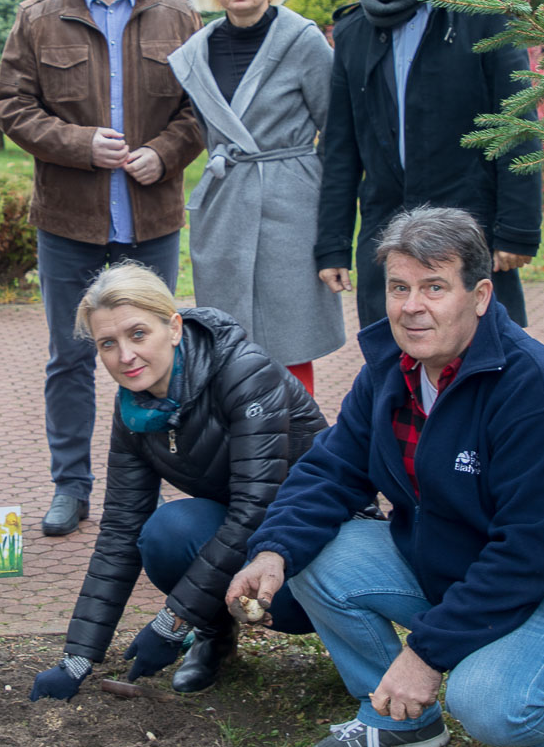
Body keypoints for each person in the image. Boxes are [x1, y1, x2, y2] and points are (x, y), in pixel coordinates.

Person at [227, 207, 544, 747]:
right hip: (450, 565)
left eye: (434, 287)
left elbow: (530, 554)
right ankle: (403, 719)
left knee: (488, 703)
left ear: (480, 295)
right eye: (399, 288)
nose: (410, 306)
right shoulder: (390, 372)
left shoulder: (538, 394)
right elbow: (331, 468)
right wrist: (271, 551)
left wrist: (425, 655)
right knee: (312, 553)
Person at [0, 0, 204, 537]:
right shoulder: (38, 18)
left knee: (158, 354)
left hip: (151, 222)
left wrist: (164, 153)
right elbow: (9, 105)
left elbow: (202, 111)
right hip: (69, 224)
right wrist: (81, 146)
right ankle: (71, 486)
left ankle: (166, 485)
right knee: (71, 357)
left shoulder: (178, 15)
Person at [27, 263, 325, 701]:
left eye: (138, 334)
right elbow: (119, 531)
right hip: (247, 541)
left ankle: (355, 643)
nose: (124, 355)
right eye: (107, 343)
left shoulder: (244, 374)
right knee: (166, 533)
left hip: (309, 538)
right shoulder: (135, 410)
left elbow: (255, 508)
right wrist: (77, 660)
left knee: (203, 535)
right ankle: (216, 638)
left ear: (174, 327)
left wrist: (171, 620)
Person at [315, 0, 542, 328]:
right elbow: (340, 150)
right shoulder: (353, 34)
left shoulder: (483, 11)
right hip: (386, 237)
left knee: (486, 370)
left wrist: (518, 229)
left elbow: (518, 125)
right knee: (392, 372)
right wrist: (333, 244)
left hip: (470, 232)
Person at [168, 0, 344, 395]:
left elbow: (338, 132)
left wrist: (325, 211)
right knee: (225, 338)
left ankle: (298, 445)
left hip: (291, 205)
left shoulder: (302, 41)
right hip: (224, 204)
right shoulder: (194, 54)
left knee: (289, 339)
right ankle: (241, 453)